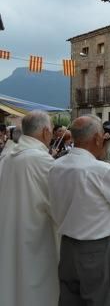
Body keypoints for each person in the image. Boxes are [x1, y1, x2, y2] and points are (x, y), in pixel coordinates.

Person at [48, 115, 110, 306]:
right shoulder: (99, 169)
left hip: (68, 247)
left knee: (70, 300)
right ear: (97, 138)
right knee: (101, 299)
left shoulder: (56, 166)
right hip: (96, 248)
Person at [0, 111, 58, 306]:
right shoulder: (42, 160)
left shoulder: (6, 157)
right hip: (36, 237)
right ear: (45, 132)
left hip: (9, 233)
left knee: (12, 284)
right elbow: (59, 204)